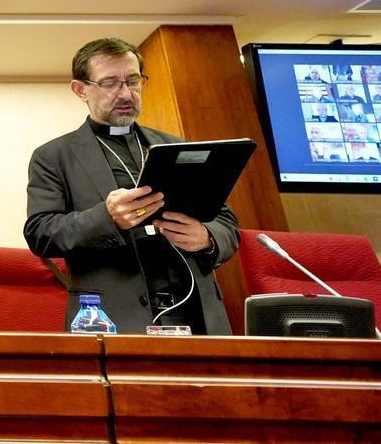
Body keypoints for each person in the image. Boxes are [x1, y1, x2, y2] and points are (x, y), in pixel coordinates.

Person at [25, 38, 238, 335]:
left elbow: (225, 220)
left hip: (198, 315)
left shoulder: (176, 145)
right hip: (113, 319)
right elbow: (40, 234)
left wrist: (207, 237)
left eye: (133, 81)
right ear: (80, 89)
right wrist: (106, 217)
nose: (125, 93)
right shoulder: (54, 157)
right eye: (110, 83)